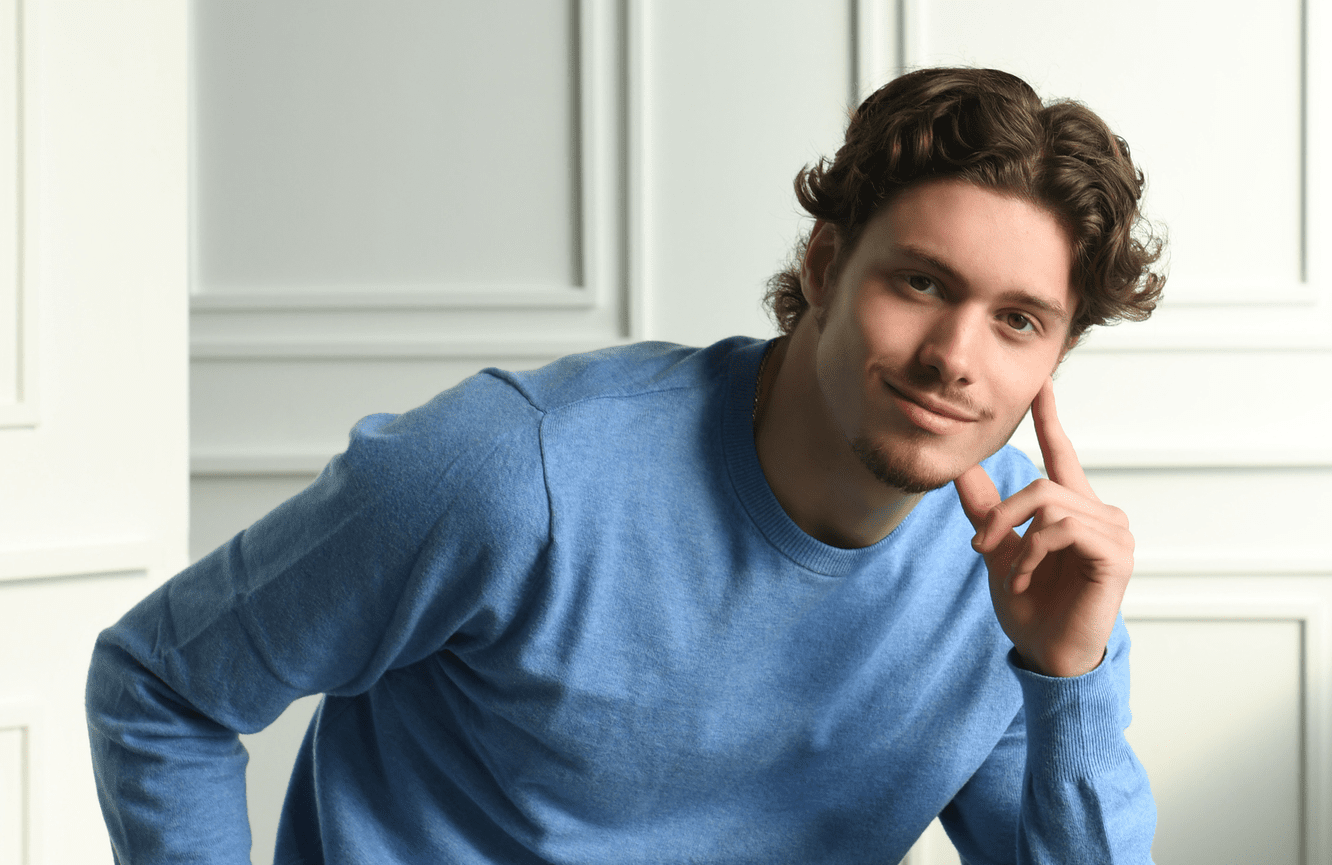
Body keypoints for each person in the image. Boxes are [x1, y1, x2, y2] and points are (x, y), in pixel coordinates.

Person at [87, 67, 1166, 864]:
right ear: (829, 265)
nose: (954, 359)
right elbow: (160, 684)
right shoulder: (517, 469)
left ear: (1054, 358)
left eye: (1017, 321)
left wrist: (1069, 680)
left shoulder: (1022, 586)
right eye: (922, 284)